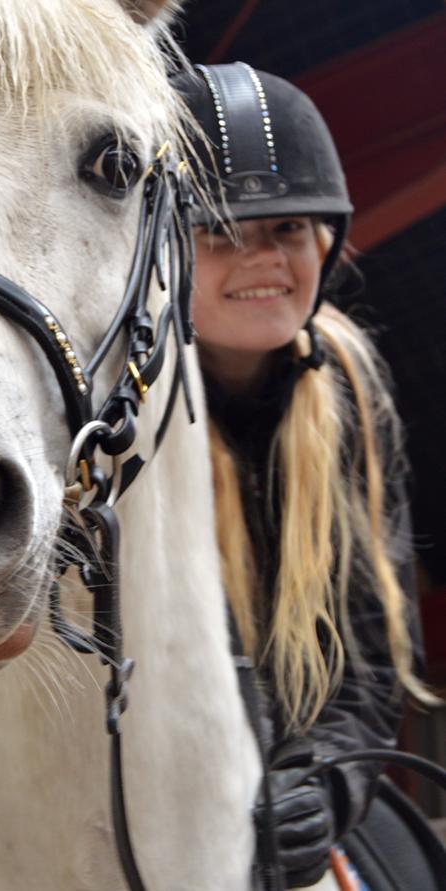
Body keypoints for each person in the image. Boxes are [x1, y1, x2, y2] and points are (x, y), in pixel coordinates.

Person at [176, 62, 435, 888]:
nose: (263, 259)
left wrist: (325, 778)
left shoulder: (355, 393)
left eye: (286, 227)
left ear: (323, 239)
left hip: (289, 780)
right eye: (220, 231)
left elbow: (369, 645)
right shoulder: (100, 414)